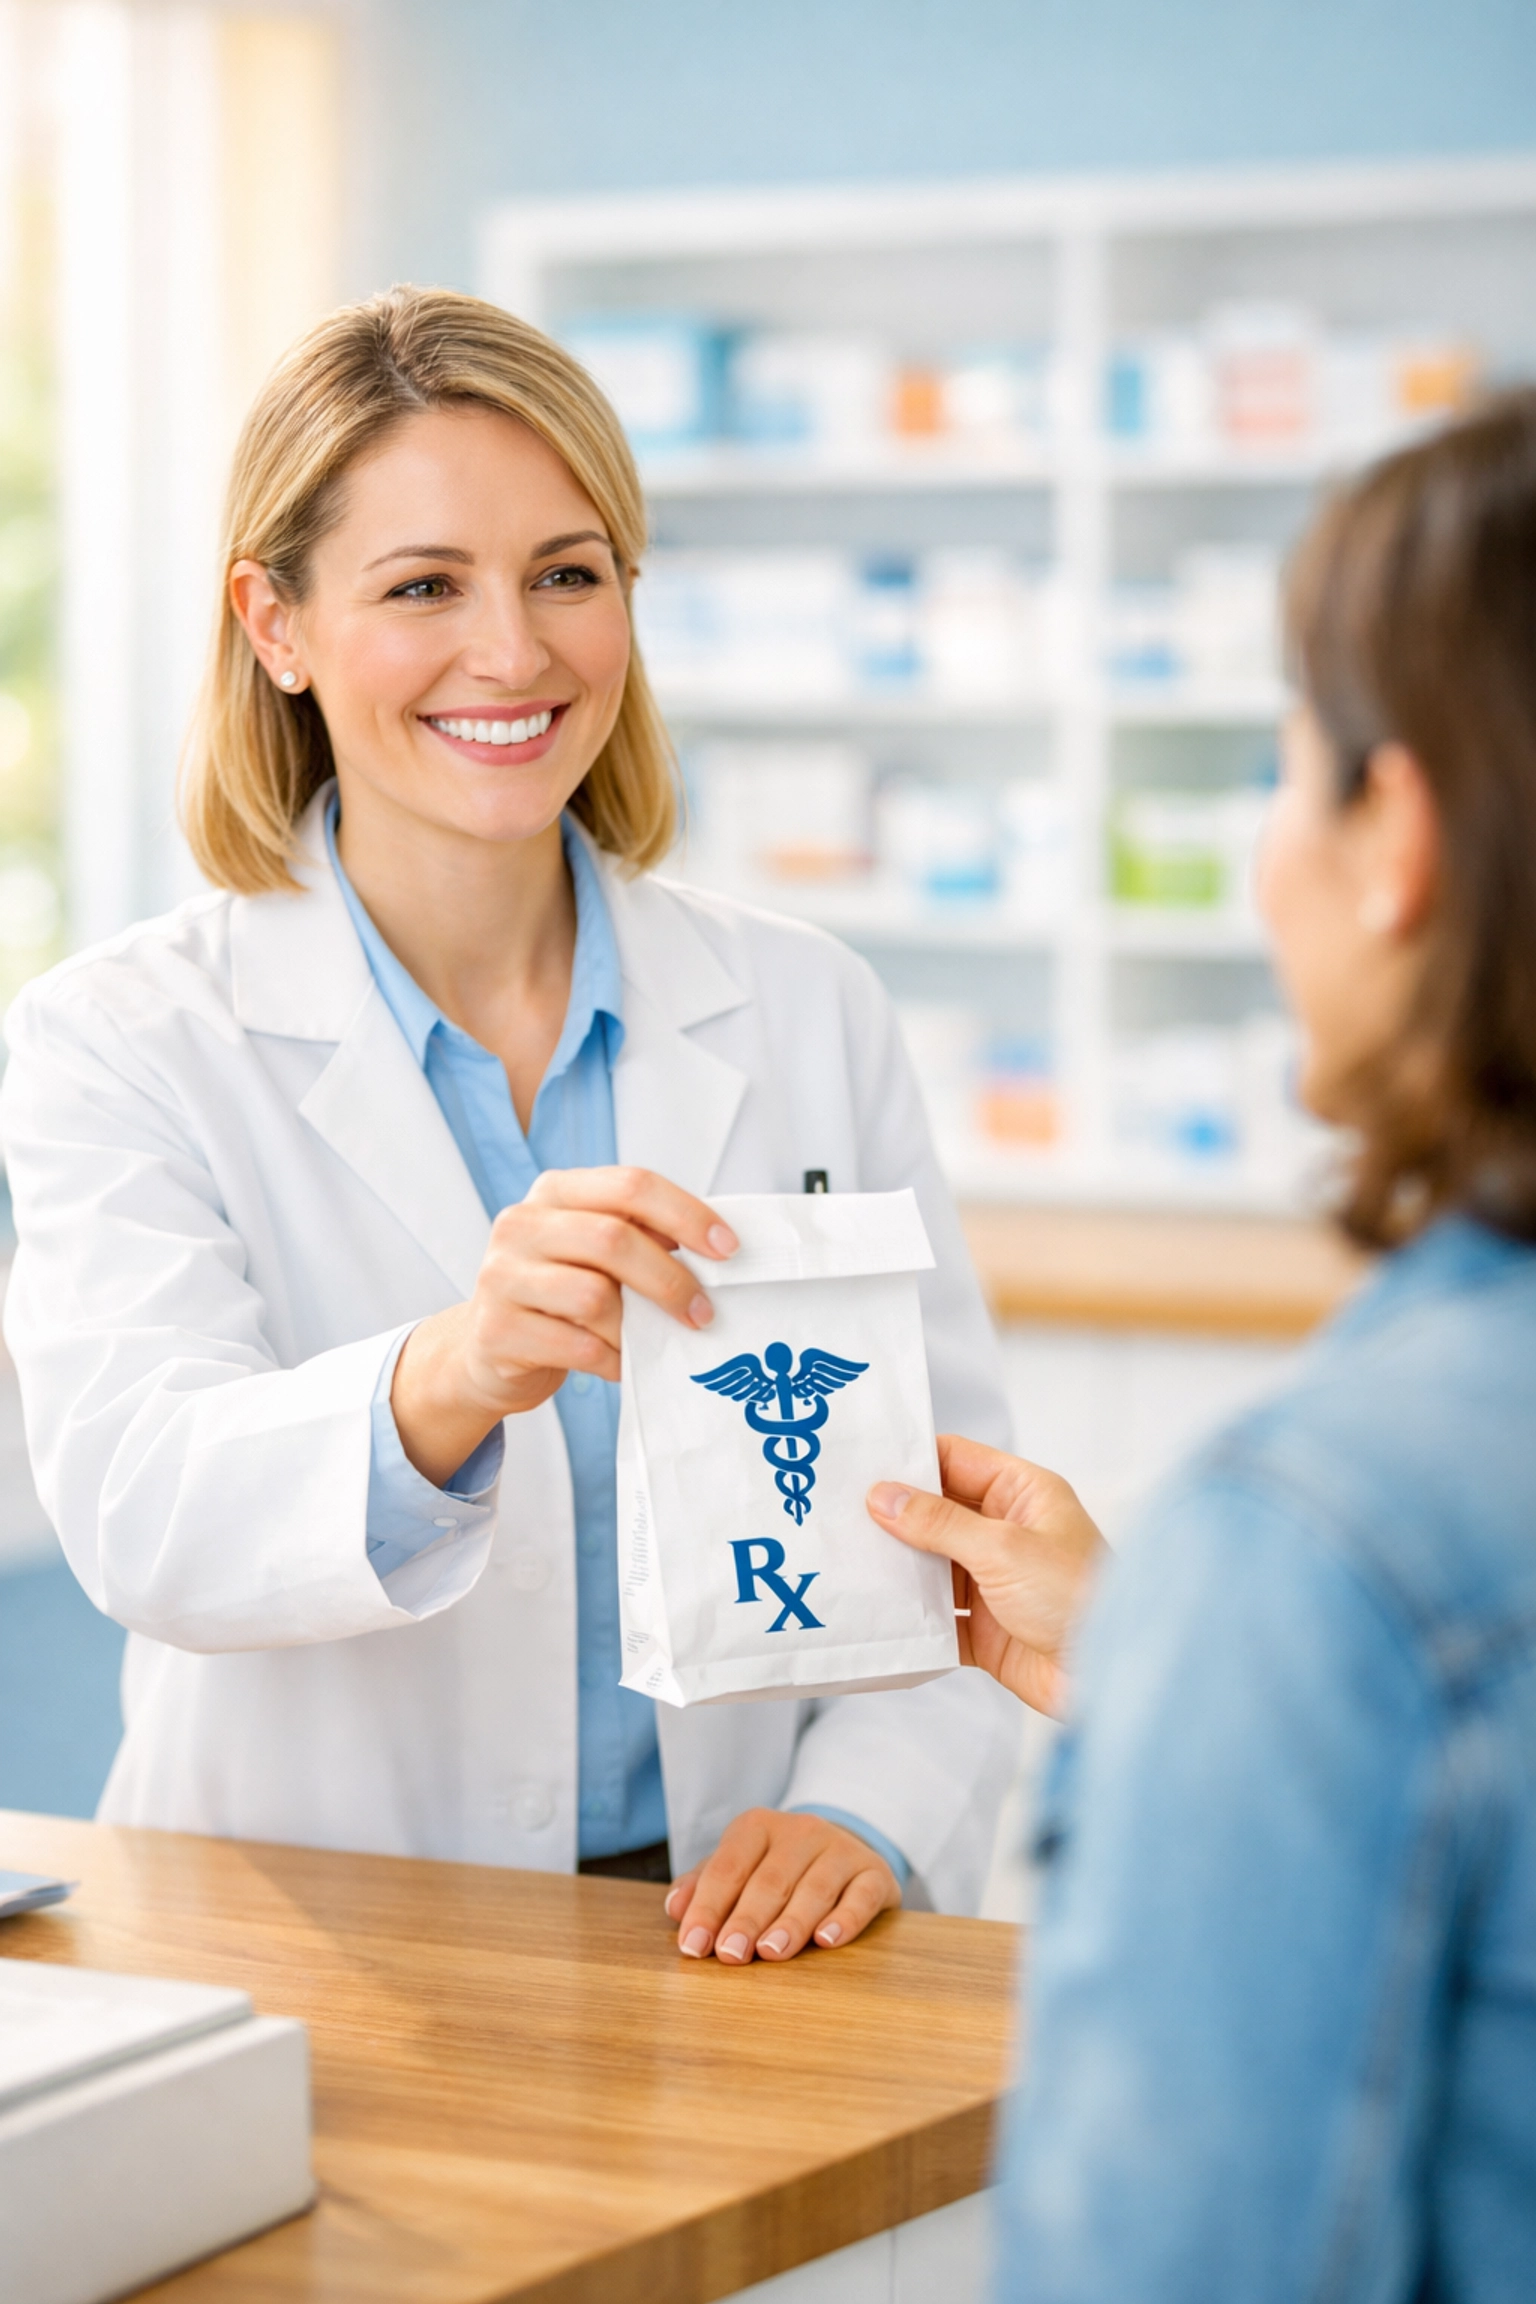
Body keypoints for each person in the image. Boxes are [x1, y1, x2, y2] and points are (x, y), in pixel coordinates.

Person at [0, 285, 1017, 1965]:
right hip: (320, 1933)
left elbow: (948, 1521)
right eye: (424, 586)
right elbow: (144, 1514)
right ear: (275, 623)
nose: (514, 653)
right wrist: (450, 1376)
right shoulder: (122, 1037)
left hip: (735, 1935)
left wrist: (865, 1813)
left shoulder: (804, 1005)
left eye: (567, 573)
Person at [868, 391, 1536, 2299]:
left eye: (1288, 768)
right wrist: (1176, 1669)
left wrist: (1245, 1661)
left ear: (1396, 838)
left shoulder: (1329, 1536)